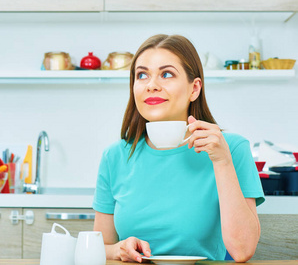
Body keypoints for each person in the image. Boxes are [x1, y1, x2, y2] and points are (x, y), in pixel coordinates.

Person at [92, 34, 264, 263]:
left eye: (166, 74)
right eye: (142, 75)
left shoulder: (230, 149)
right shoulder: (115, 156)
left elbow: (242, 251)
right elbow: (99, 247)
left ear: (194, 89)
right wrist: (118, 250)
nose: (151, 85)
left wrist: (222, 162)